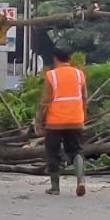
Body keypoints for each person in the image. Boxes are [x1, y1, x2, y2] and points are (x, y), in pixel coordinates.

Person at [36, 48, 88, 197]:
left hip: (55, 122)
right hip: (76, 120)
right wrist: (83, 115)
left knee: (52, 152)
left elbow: (45, 101)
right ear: (70, 58)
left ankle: (55, 187)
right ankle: (81, 181)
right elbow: (84, 97)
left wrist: (39, 120)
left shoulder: (51, 75)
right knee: (76, 150)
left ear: (55, 59)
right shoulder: (80, 74)